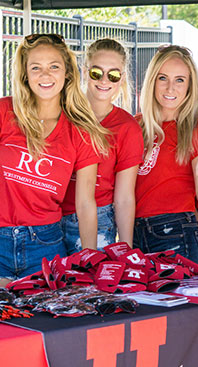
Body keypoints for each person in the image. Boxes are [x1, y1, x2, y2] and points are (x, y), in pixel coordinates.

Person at [0, 33, 108, 286]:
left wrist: (88, 259)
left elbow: (85, 203)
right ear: (25, 74)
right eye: (36, 67)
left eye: (54, 67)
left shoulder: (81, 131)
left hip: (45, 245)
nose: (45, 75)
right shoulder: (4, 112)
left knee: (45, 322)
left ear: (67, 72)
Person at [134, 45, 198, 265]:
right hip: (132, 232)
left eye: (180, 80)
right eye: (163, 78)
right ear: (152, 80)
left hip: (176, 233)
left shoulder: (197, 130)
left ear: (190, 86)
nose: (170, 87)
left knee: (181, 300)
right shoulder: (135, 126)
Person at [61, 38, 144, 252]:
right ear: (84, 69)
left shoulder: (127, 127)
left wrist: (126, 250)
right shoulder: (63, 113)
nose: (104, 80)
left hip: (100, 220)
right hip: (51, 218)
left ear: (122, 78)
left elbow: (124, 197)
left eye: (113, 75)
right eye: (96, 72)